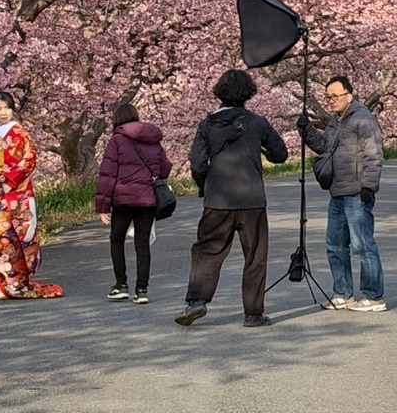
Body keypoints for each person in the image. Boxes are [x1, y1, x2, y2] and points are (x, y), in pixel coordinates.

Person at [175, 69, 288, 328]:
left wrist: (206, 186)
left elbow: (197, 163)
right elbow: (280, 154)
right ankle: (253, 313)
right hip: (252, 200)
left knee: (207, 252)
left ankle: (197, 302)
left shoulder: (207, 124)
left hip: (218, 200)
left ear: (220, 92)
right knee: (255, 257)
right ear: (248, 93)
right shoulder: (257, 122)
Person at [297, 75, 386, 312]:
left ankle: (373, 296)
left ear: (349, 95)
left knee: (362, 244)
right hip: (337, 191)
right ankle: (343, 294)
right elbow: (324, 147)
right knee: (334, 245)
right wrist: (306, 129)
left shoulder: (363, 119)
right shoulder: (336, 121)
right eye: (328, 97)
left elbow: (374, 154)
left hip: (357, 192)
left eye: (334, 96)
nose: (330, 101)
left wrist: (369, 186)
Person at [0, 92, 62, 299]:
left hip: (13, 191)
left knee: (11, 235)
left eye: (7, 108)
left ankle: (13, 281)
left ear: (13, 109)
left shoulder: (19, 132)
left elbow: (29, 159)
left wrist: (8, 179)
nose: (3, 113)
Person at [95, 103, 172, 304]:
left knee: (117, 239)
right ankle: (142, 290)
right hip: (147, 200)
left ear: (117, 119)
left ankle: (121, 285)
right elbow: (165, 168)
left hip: (123, 200)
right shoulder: (153, 140)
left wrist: (103, 206)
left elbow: (107, 175)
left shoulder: (117, 141)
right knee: (142, 244)